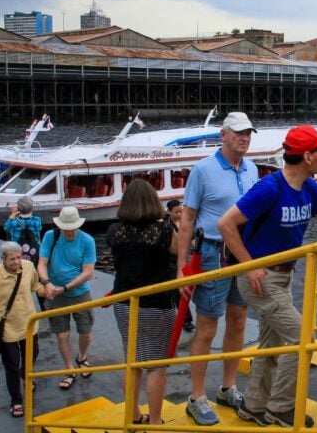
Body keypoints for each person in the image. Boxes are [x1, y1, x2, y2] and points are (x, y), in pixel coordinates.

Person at [219, 125, 317, 428]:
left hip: (283, 276)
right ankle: (281, 408)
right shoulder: (270, 188)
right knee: (300, 338)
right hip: (259, 278)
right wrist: (248, 265)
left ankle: (254, 406)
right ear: (308, 156)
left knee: (273, 345)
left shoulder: (309, 187)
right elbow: (226, 224)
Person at [178, 112, 259, 426]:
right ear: (223, 135)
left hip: (241, 251)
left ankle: (228, 387)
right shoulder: (203, 169)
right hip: (211, 251)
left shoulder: (251, 168)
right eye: (238, 133)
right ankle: (196, 397)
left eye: (248, 133)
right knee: (208, 325)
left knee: (238, 321)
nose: (244, 138)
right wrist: (182, 268)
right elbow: (186, 220)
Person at [106, 180, 179, 426]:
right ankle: (155, 421)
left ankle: (134, 415)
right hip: (156, 303)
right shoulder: (164, 230)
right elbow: (181, 251)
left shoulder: (115, 230)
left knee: (132, 360)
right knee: (156, 365)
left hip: (124, 301)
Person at [0, 242, 45, 418]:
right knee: (11, 365)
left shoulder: (28, 267)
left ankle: (26, 373)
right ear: (3, 260)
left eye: (19, 257)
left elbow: (35, 285)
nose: (16, 262)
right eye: (12, 259)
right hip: (7, 328)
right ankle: (16, 400)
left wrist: (46, 291)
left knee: (32, 354)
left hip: (28, 322)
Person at [37, 206, 97, 391]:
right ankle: (69, 369)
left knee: (85, 331)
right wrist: (47, 283)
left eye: (72, 228)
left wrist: (64, 288)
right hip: (56, 292)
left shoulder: (87, 240)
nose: (69, 231)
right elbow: (42, 263)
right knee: (62, 334)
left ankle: (82, 356)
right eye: (65, 228)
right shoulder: (50, 236)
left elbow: (88, 272)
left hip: (78, 293)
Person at [3, 196, 45, 310]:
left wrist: (13, 214)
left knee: (18, 280)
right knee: (38, 279)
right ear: (32, 208)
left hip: (18, 255)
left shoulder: (12, 222)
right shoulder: (37, 220)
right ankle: (43, 306)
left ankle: (18, 306)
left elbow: (6, 228)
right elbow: (39, 229)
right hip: (35, 255)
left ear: (19, 208)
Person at [166, 199, 195, 333]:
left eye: (180, 211)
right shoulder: (166, 226)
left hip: (184, 259)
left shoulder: (186, 223)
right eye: (176, 212)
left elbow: (193, 238)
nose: (179, 214)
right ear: (169, 212)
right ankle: (186, 319)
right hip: (170, 261)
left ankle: (185, 318)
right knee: (178, 291)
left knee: (182, 290)